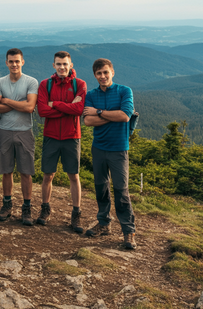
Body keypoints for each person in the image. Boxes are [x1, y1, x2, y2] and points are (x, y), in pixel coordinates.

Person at [82, 58, 136, 249]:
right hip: (98, 148)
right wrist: (111, 114)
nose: (103, 76)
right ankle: (104, 224)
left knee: (121, 191)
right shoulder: (91, 94)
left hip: (119, 149)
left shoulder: (124, 91)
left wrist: (99, 112)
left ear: (112, 72)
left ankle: (128, 231)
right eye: (99, 74)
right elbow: (88, 122)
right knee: (101, 188)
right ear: (95, 75)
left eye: (106, 72)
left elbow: (125, 116)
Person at [36, 51, 86, 233]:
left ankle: (76, 214)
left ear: (71, 65)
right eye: (58, 64)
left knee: (74, 175)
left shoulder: (80, 84)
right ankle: (45, 209)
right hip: (51, 136)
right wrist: (68, 107)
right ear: (53, 65)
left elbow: (79, 109)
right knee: (48, 175)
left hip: (71, 136)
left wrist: (54, 104)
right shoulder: (45, 85)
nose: (62, 67)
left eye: (65, 64)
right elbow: (42, 111)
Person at [0, 48, 38, 225]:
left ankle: (26, 208)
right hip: (4, 130)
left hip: (25, 130)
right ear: (6, 63)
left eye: (17, 61)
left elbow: (29, 108)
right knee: (6, 171)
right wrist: (20, 103)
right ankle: (7, 205)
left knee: (26, 172)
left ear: (23, 62)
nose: (14, 64)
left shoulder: (31, 81)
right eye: (11, 61)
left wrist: (6, 101)